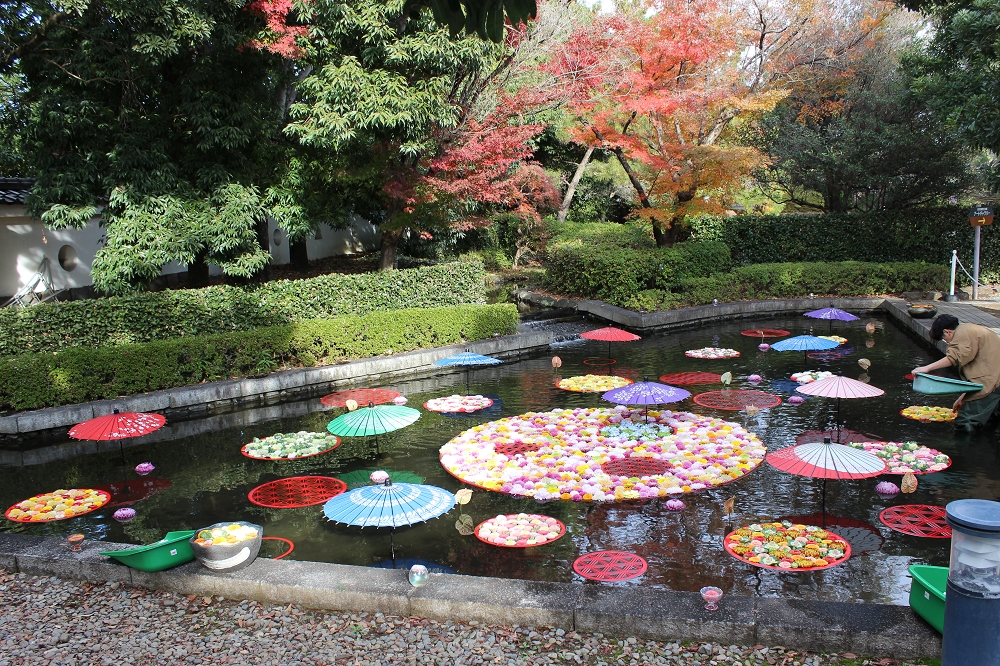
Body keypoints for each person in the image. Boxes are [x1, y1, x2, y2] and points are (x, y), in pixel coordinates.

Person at [912, 314, 1000, 432]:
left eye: (945, 339)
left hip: (991, 383)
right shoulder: (973, 330)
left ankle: (962, 449)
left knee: (964, 422)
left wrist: (927, 368)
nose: (947, 343)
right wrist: (963, 397)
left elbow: (955, 356)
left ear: (947, 332)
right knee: (989, 422)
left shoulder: (962, 332)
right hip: (995, 381)